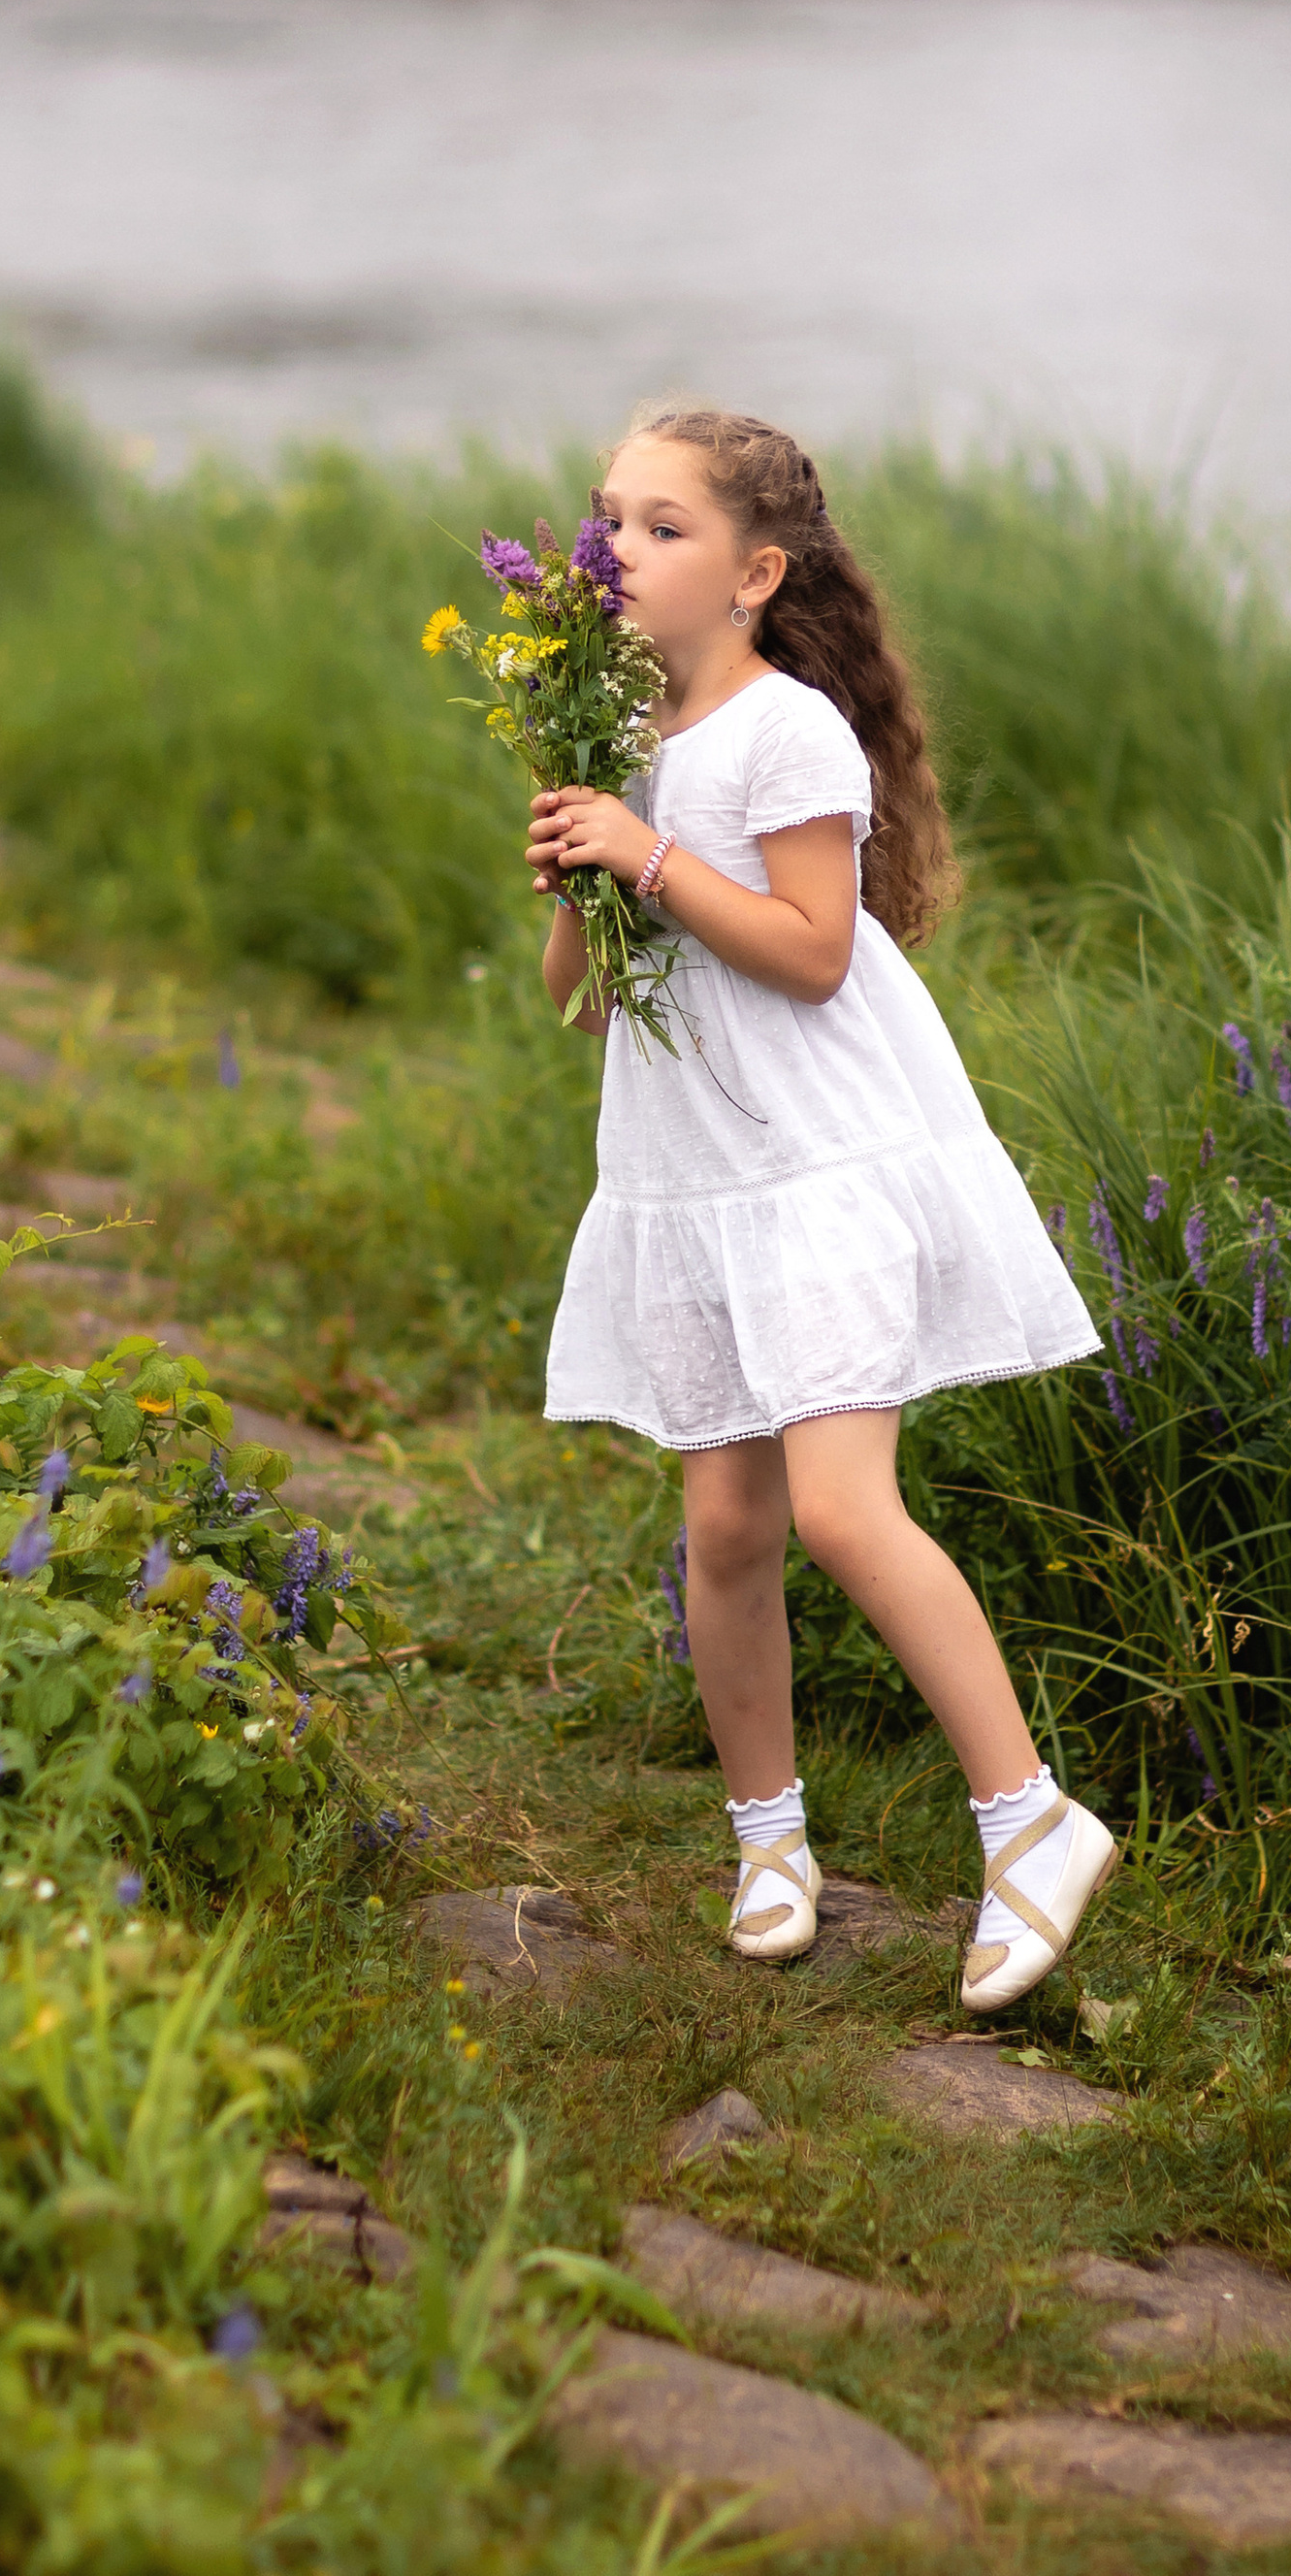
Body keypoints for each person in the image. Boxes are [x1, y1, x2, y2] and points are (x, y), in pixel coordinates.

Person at [529, 404, 1116, 2013]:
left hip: (819, 1169)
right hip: (693, 1176)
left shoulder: (787, 731)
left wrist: (646, 856)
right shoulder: (621, 740)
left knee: (847, 1510)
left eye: (660, 527)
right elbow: (578, 1002)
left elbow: (814, 949)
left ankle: (1033, 1819)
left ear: (754, 571)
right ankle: (770, 1839)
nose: (613, 555)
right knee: (726, 1525)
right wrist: (583, 869)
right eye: (604, 521)